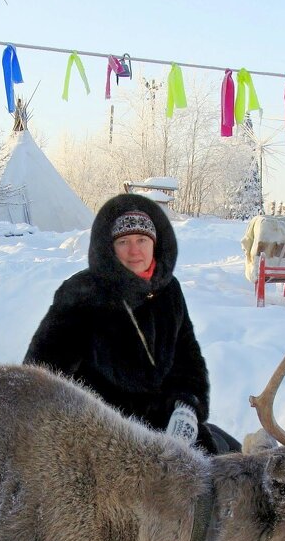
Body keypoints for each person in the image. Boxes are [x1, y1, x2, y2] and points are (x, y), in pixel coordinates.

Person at [25, 193, 238, 454]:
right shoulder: (81, 293)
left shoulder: (169, 290)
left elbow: (187, 356)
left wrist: (186, 407)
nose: (134, 250)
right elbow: (41, 374)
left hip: (165, 424)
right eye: (123, 241)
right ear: (110, 247)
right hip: (104, 433)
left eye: (142, 240)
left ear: (155, 244)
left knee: (226, 461)